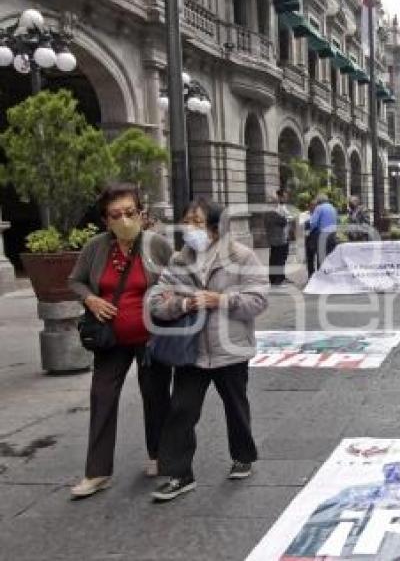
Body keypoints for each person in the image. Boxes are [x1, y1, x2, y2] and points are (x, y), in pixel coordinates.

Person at [148, 198, 269, 502]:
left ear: (215, 227)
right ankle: (179, 474)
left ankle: (243, 456)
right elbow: (155, 304)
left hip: (230, 349)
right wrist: (184, 304)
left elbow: (258, 300)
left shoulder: (241, 256)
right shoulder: (178, 261)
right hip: (191, 352)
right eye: (187, 221)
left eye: (197, 222)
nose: (189, 227)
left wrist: (221, 300)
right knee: (181, 411)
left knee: (236, 405)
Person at [67, 183, 174, 499]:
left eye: (130, 212)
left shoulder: (156, 244)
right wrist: (91, 300)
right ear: (106, 220)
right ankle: (97, 472)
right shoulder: (96, 248)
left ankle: (159, 454)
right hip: (110, 338)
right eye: (116, 215)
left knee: (155, 395)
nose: (125, 219)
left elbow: (180, 276)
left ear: (141, 213)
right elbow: (75, 280)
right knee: (102, 397)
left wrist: (170, 293)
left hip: (151, 338)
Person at [264, 189, 294, 286]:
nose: (277, 203)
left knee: (276, 259)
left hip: (277, 239)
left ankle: (277, 278)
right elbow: (283, 221)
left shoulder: (270, 212)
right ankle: (277, 280)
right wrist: (286, 218)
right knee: (278, 260)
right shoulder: (273, 213)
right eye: (275, 201)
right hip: (279, 240)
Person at [306, 193, 338, 277]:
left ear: (319, 200)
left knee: (321, 257)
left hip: (322, 236)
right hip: (333, 235)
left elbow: (313, 223)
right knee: (330, 257)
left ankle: (321, 278)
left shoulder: (319, 208)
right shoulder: (333, 208)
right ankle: (330, 276)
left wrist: (309, 231)